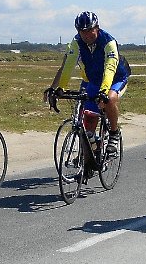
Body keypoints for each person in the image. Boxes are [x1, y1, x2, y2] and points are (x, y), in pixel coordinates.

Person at [43, 11, 130, 156]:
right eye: (82, 31)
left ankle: (114, 133)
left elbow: (109, 69)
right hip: (94, 80)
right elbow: (68, 66)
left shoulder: (108, 42)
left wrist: (103, 92)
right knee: (88, 123)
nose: (86, 35)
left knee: (110, 99)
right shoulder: (76, 43)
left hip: (117, 77)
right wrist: (59, 89)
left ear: (97, 27)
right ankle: (91, 156)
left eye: (90, 30)